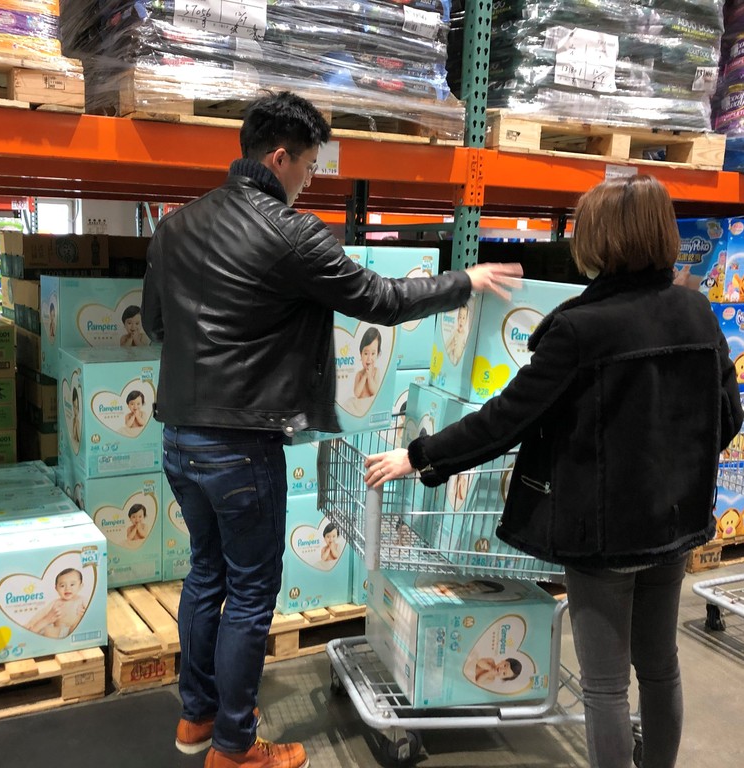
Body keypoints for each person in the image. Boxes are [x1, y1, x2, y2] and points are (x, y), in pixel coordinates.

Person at [141, 90, 521, 768]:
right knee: (250, 592)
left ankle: (198, 717)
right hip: (242, 444)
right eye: (310, 165)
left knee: (205, 575)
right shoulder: (291, 233)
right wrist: (463, 280)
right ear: (279, 157)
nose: (310, 179)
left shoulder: (175, 227)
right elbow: (380, 299)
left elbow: (154, 324)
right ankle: (234, 749)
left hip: (179, 438)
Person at [364, 175, 744, 768]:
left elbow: (505, 419)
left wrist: (418, 455)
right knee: (660, 666)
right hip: (673, 524)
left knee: (605, 687)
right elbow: (727, 416)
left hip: (600, 536)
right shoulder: (696, 312)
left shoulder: (579, 329)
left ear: (599, 240)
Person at [28, 568, 88, 638]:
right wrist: (31, 623)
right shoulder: (56, 602)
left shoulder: (82, 600)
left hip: (74, 631)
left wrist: (86, 614)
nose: (67, 588)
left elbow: (91, 612)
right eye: (62, 585)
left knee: (79, 626)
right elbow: (41, 614)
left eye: (72, 584)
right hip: (58, 631)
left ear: (80, 586)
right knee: (47, 629)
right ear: (56, 588)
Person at [352, 327, 382, 401]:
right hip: (359, 405)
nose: (369, 358)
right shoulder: (359, 374)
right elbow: (356, 394)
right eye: (366, 353)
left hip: (370, 405)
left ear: (378, 354)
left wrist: (369, 377)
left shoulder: (376, 372)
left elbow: (374, 391)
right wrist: (365, 376)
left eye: (373, 353)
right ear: (361, 354)